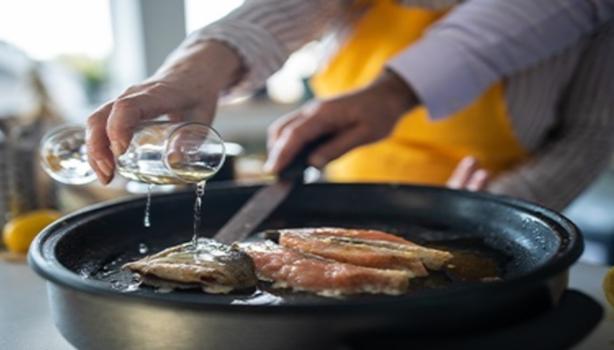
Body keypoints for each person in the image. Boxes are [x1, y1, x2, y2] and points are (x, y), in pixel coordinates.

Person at [87, 0, 614, 211]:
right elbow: (283, 10)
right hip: (341, 208)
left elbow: (592, 132)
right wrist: (193, 68)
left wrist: (501, 210)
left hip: (482, 208)